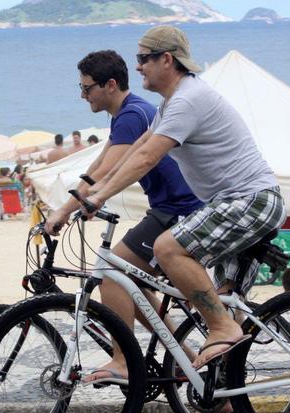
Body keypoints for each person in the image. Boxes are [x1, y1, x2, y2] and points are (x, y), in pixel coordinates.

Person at [80, 27, 285, 413]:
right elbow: (138, 150)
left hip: (251, 199)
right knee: (221, 301)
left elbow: (148, 159)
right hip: (229, 204)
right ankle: (220, 399)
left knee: (169, 248)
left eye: (143, 58)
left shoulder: (189, 99)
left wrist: (99, 196)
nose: (136, 65)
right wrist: (96, 190)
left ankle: (221, 328)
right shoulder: (171, 103)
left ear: (166, 60)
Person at [45, 49, 203, 384]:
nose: (83, 95)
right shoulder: (127, 115)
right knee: (131, 282)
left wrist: (65, 210)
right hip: (170, 208)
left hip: (178, 210)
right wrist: (75, 201)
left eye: (87, 88)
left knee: (113, 272)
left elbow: (106, 171)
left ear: (110, 85)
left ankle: (123, 360)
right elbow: (96, 168)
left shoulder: (133, 114)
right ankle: (188, 359)